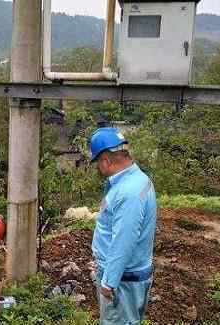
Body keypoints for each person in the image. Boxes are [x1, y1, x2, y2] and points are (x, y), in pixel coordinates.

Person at [89, 128, 157, 325]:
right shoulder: (137, 179)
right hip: (128, 275)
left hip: (123, 281)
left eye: (97, 163)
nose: (98, 169)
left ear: (106, 161)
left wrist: (110, 281)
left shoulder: (128, 193)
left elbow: (124, 240)